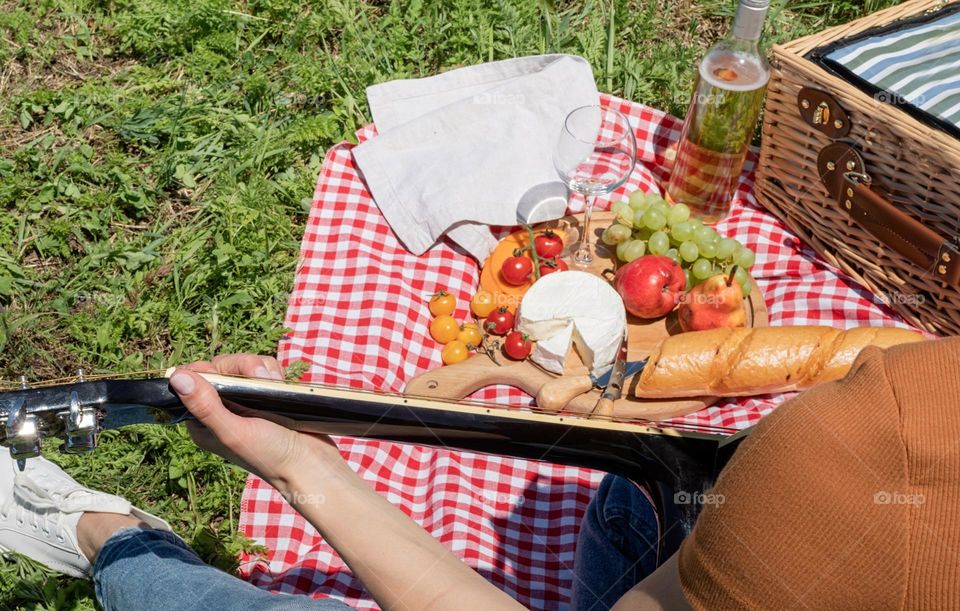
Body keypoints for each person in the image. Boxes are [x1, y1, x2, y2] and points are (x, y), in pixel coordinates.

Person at [2, 337, 959, 610]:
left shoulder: (880, 496)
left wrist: (304, 470)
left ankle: (103, 533)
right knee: (647, 493)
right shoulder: (889, 426)